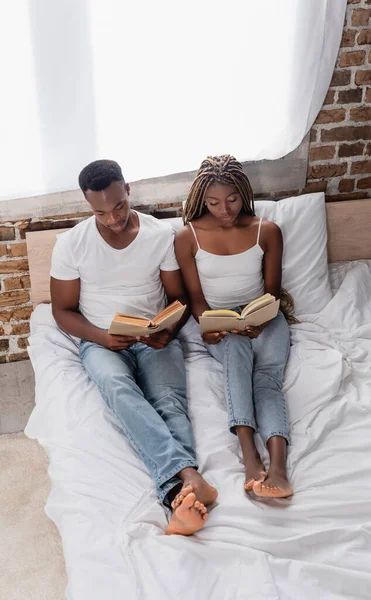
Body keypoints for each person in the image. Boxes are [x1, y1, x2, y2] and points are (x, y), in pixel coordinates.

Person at [50, 159, 217, 535]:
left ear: (129, 189)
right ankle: (186, 481)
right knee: (119, 389)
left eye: (119, 206)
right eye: (101, 212)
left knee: (169, 401)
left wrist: (168, 331)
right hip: (102, 341)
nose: (113, 219)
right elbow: (62, 311)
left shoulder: (159, 235)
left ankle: (180, 494)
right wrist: (103, 337)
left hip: (154, 334)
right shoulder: (72, 244)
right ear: (87, 205)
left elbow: (179, 299)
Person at [175, 155, 294, 498]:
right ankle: (249, 455)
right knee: (236, 357)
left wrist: (261, 318)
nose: (224, 210)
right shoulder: (188, 237)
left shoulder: (266, 231)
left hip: (264, 315)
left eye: (232, 200)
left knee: (267, 381)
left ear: (244, 194)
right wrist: (207, 325)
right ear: (201, 199)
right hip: (220, 320)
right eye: (213, 202)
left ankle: (279, 469)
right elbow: (196, 297)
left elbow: (272, 291)